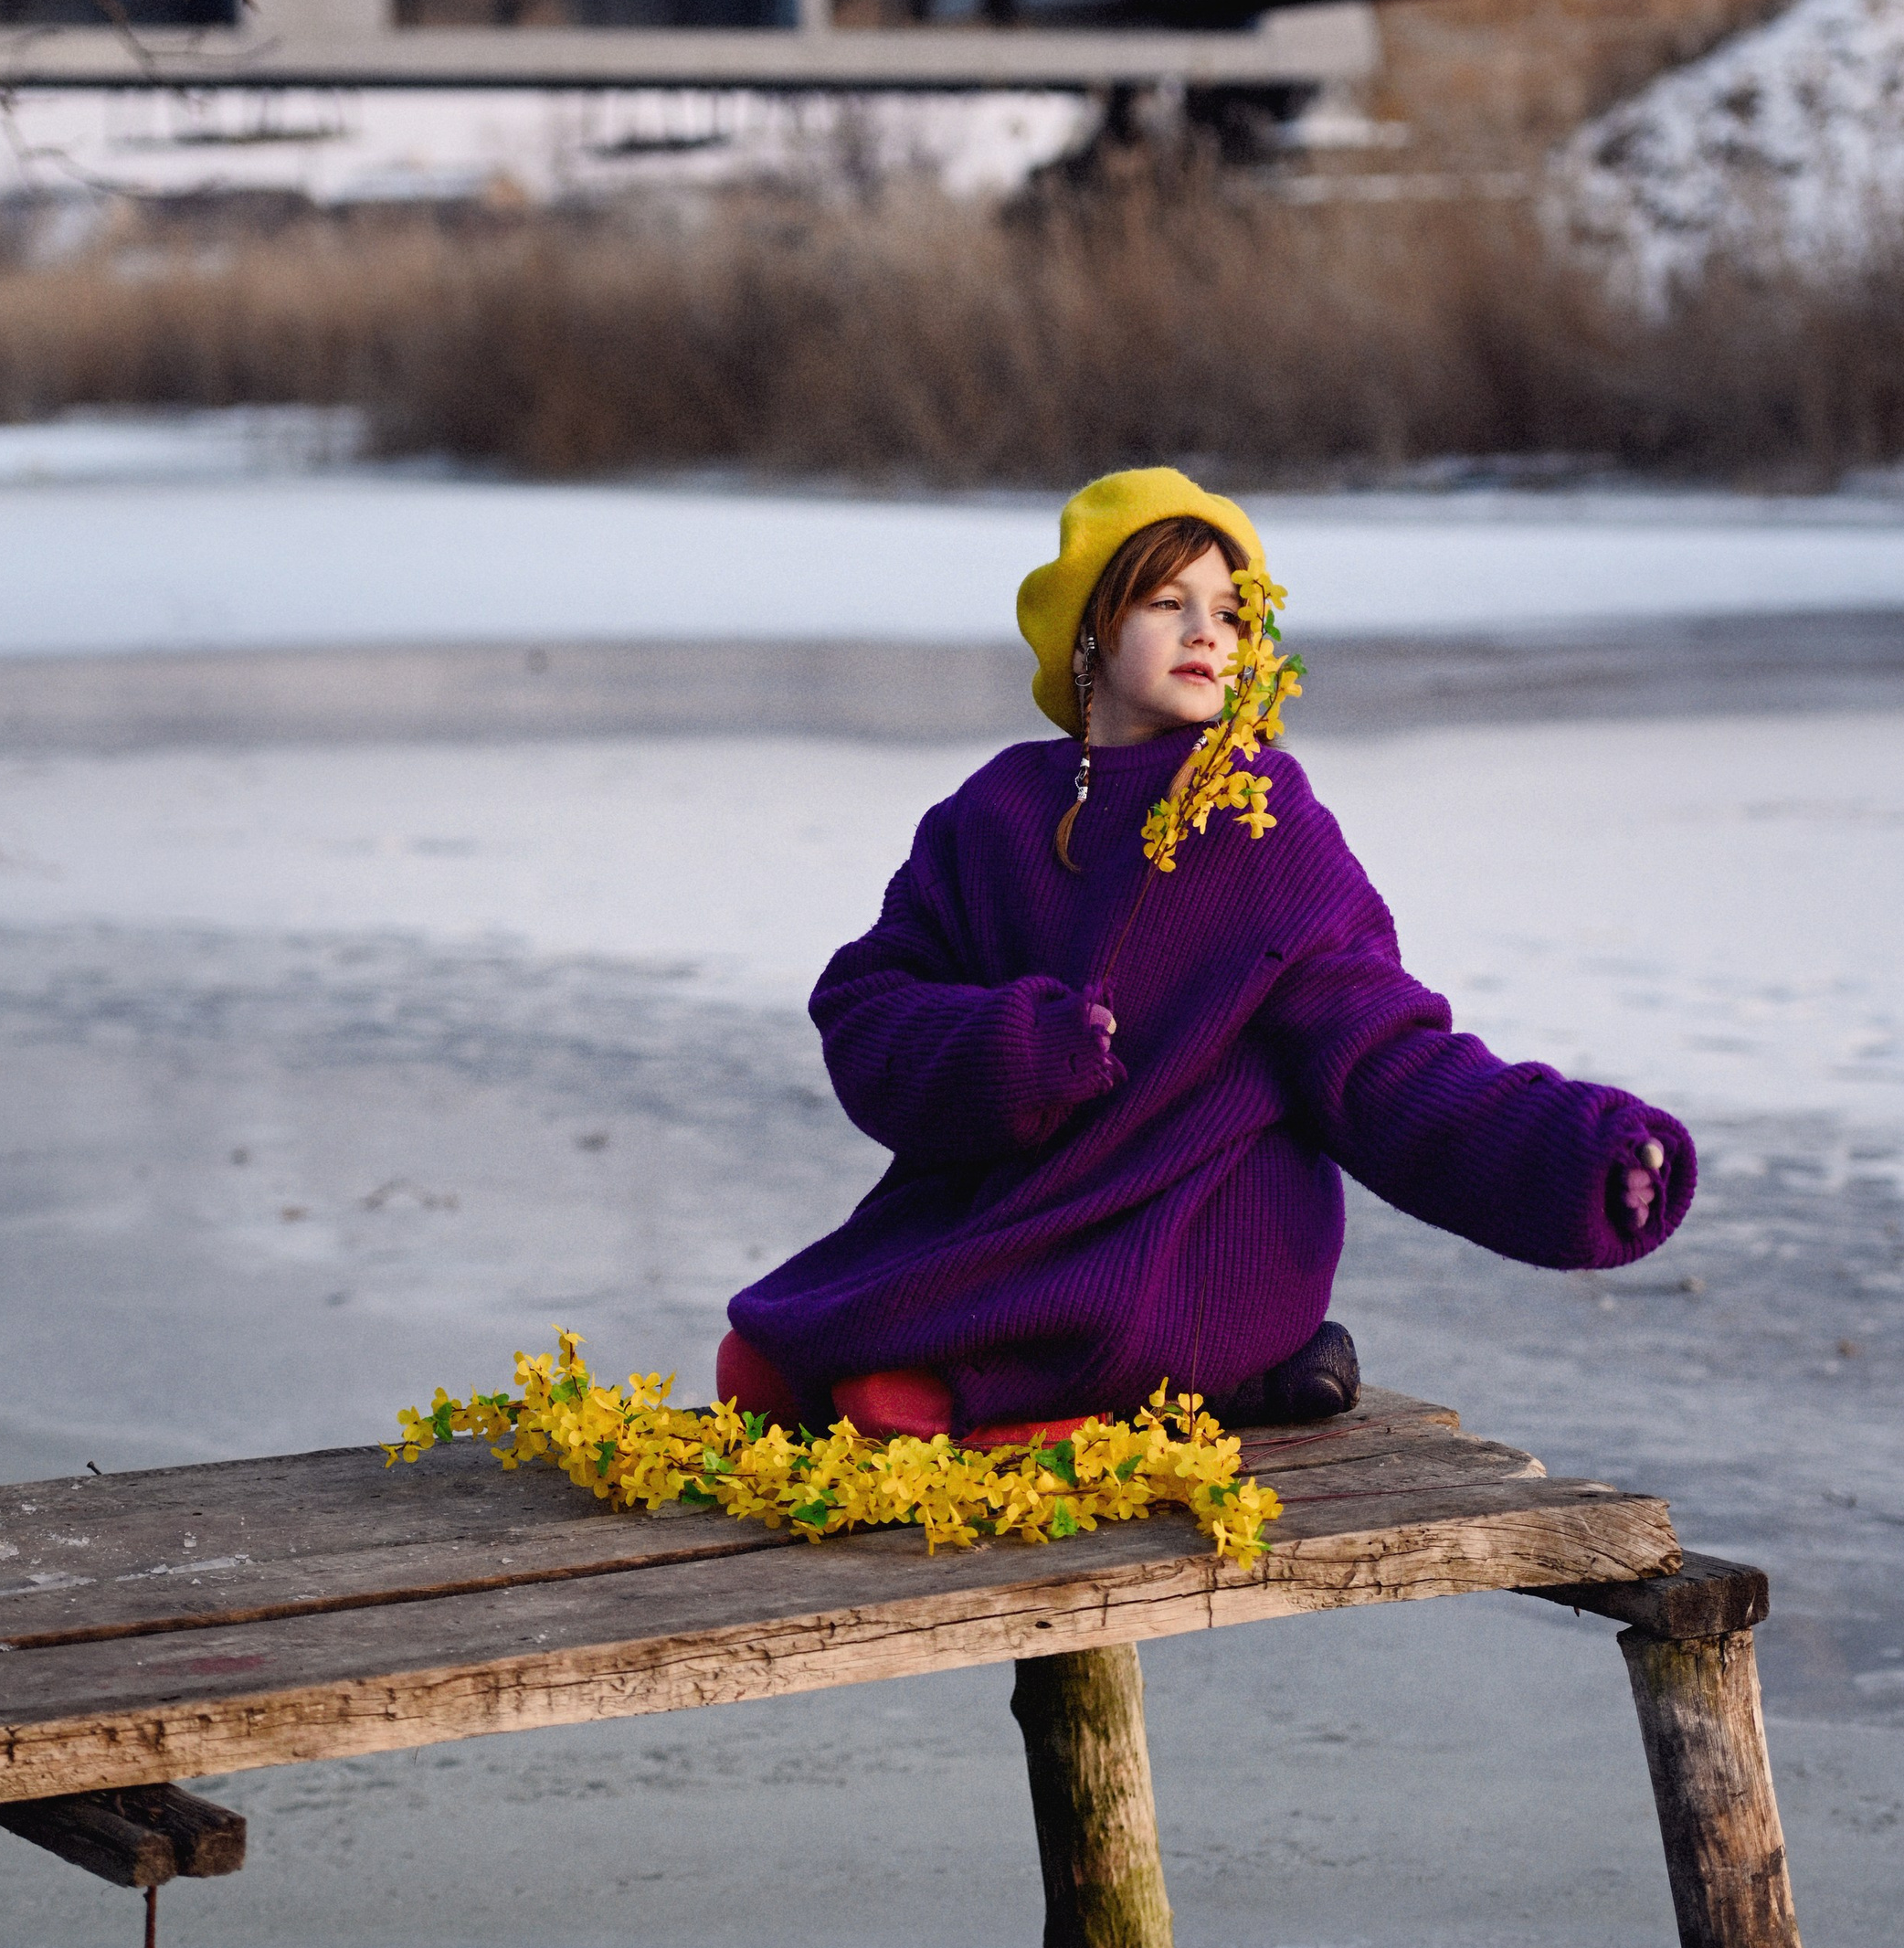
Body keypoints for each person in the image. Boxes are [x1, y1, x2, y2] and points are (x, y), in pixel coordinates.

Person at [719, 466, 1693, 1446]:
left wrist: (1578, 1155)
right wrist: (1013, 1048)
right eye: (1165, 601)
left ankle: (1084, 1383)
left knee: (902, 1385)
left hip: (1196, 1231)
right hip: (1015, 1210)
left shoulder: (1267, 821)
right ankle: (1160, 1377)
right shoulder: (995, 810)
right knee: (760, 1356)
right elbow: (868, 1006)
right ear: (1090, 631)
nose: (1205, 633)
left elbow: (1385, 1062)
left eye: (1230, 613)